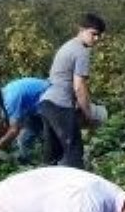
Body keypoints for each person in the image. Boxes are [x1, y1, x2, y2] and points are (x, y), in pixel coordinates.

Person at [39, 12, 106, 168]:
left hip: (46, 103)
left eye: (99, 36)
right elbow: (78, 86)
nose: (96, 39)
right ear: (81, 29)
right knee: (74, 152)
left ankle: (45, 188)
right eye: (93, 34)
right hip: (60, 105)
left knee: (52, 154)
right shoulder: (81, 51)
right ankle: (77, 190)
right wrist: (88, 114)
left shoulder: (68, 46)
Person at [0, 76, 50, 163]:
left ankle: (42, 163)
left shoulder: (10, 100)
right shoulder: (3, 94)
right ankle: (33, 160)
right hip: (36, 107)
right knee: (26, 139)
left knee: (44, 139)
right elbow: (4, 122)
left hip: (51, 101)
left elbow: (14, 130)